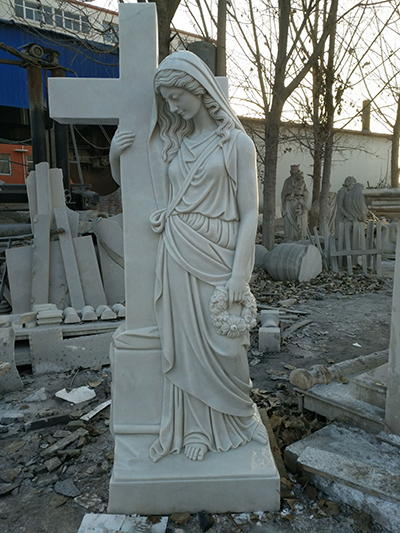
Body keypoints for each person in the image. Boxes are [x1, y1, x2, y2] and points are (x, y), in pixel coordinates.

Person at [110, 51, 268, 463]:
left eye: (178, 96)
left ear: (199, 89)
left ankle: (238, 411)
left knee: (226, 344)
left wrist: (240, 274)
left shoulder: (237, 143)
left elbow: (250, 212)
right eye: (167, 100)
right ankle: (196, 428)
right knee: (184, 342)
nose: (173, 106)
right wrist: (114, 157)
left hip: (220, 248)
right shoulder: (173, 143)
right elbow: (144, 190)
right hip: (178, 249)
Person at [281, 165, 309, 241]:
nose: (294, 172)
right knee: (288, 221)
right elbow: (283, 193)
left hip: (299, 202)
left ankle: (300, 237)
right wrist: (290, 192)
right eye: (293, 170)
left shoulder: (302, 181)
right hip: (289, 203)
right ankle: (289, 237)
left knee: (301, 219)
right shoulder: (287, 181)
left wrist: (302, 193)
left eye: (296, 170)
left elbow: (306, 192)